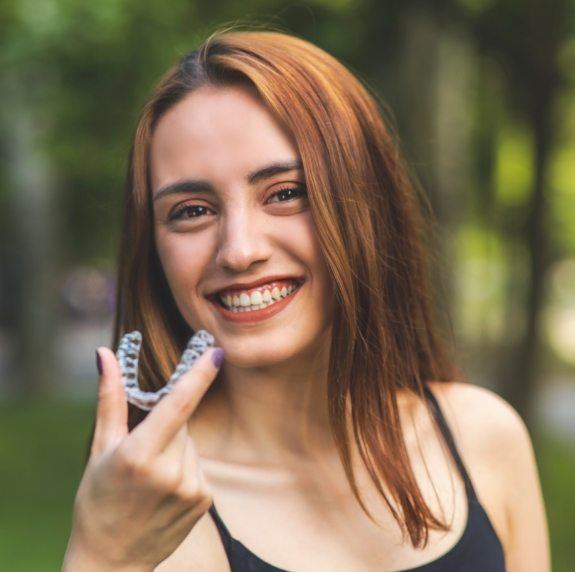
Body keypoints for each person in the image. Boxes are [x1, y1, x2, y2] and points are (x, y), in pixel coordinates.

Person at [62, 28, 550, 572]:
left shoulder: (485, 437)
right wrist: (102, 556)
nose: (240, 250)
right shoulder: (160, 514)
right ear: (152, 250)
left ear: (369, 205)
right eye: (193, 210)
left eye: (286, 193)